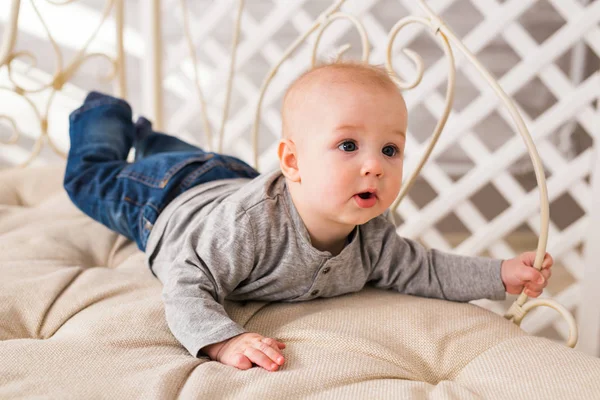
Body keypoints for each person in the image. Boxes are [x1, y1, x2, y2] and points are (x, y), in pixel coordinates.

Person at [64, 62, 553, 373]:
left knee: (182, 154)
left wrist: (500, 275)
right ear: (293, 162)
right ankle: (104, 114)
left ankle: (152, 139)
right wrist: (221, 341)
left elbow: (424, 269)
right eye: (348, 145)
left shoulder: (373, 233)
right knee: (89, 181)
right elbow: (186, 282)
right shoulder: (248, 229)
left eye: (390, 149)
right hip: (169, 200)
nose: (374, 165)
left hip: (229, 174)